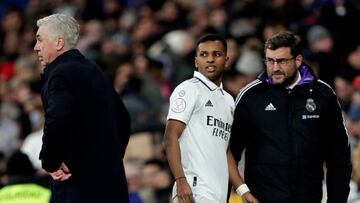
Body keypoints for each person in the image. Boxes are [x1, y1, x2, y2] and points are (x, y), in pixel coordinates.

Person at [230, 31, 352, 203]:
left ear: (298, 60)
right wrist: (237, 193)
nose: (275, 68)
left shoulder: (322, 94)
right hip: (262, 198)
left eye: (281, 61)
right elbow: (230, 152)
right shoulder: (250, 97)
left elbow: (339, 156)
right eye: (270, 61)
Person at [33, 13, 131, 203]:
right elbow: (123, 119)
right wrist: (108, 158)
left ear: (59, 43)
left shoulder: (60, 74)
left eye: (40, 40)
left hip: (78, 187)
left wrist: (51, 163)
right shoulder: (95, 70)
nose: (36, 47)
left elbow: (57, 120)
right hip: (111, 184)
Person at [163, 33, 258, 203]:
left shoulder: (228, 100)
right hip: (194, 190)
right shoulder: (188, 89)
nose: (210, 59)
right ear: (196, 61)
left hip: (218, 192)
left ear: (227, 60)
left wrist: (243, 190)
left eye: (217, 54)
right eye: (204, 54)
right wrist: (180, 180)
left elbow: (224, 150)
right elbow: (170, 136)